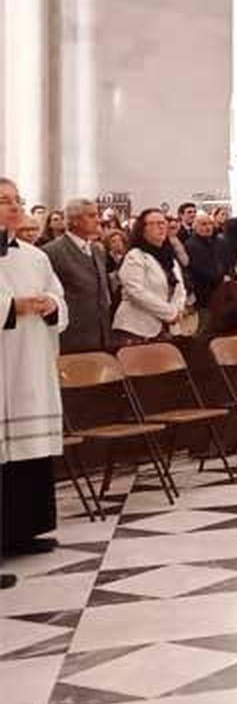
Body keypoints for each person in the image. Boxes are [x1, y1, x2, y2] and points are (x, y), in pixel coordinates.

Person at [0, 178, 68, 589]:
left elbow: (59, 297)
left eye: (15, 200)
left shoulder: (34, 256)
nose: (12, 207)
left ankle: (23, 530)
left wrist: (49, 304)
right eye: (3, 201)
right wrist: (11, 306)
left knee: (28, 451)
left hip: (29, 362)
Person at [43, 198, 113, 353]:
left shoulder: (97, 250)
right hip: (72, 336)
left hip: (101, 333)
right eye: (91, 216)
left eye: (97, 215)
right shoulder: (51, 252)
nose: (98, 220)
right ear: (74, 221)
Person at [113, 209, 187, 344]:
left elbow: (180, 288)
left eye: (163, 223)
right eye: (154, 223)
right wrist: (169, 313)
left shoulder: (170, 258)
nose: (161, 227)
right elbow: (136, 291)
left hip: (168, 328)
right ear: (142, 229)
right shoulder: (135, 256)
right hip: (137, 327)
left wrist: (178, 309)